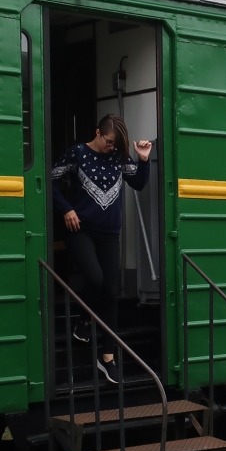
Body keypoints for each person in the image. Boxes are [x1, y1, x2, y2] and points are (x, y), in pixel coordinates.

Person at [50, 114, 152, 384]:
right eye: (108, 142)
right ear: (97, 133)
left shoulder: (118, 156)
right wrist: (66, 209)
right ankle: (84, 319)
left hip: (110, 233)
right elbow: (51, 183)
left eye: (116, 144)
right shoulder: (77, 153)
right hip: (80, 229)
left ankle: (107, 357)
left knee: (111, 290)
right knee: (94, 278)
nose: (111, 147)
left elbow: (139, 183)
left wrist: (143, 159)